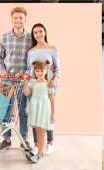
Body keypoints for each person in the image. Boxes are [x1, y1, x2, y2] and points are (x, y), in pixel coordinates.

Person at [0, 6, 32, 150]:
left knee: (23, 112)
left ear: (25, 20)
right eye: (15, 17)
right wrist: (3, 71)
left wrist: (25, 73)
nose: (18, 20)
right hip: (6, 81)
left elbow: (33, 60)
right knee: (5, 111)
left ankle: (24, 139)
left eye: (21, 18)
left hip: (23, 82)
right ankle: (7, 139)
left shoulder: (30, 38)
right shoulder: (4, 37)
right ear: (12, 19)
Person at [25, 23, 61, 156]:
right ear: (33, 35)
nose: (38, 34)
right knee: (35, 113)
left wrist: (54, 79)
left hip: (49, 86)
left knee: (47, 113)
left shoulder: (52, 49)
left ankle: (50, 142)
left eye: (40, 31)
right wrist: (27, 81)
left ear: (45, 32)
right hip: (34, 87)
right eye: (35, 33)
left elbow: (58, 69)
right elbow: (29, 70)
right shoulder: (31, 52)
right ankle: (36, 144)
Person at [23, 61, 55, 163]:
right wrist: (25, 82)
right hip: (35, 107)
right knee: (37, 131)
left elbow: (52, 99)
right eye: (37, 71)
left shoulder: (48, 83)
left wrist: (53, 114)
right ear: (35, 72)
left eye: (41, 71)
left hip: (44, 108)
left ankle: (40, 154)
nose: (39, 73)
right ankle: (39, 153)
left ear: (46, 71)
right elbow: (27, 93)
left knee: (43, 131)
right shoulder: (32, 82)